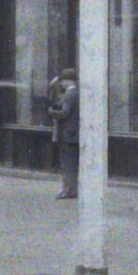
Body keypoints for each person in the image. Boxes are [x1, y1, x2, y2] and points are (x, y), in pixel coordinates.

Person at [48, 68, 80, 199]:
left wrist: (52, 112)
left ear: (68, 81)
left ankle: (69, 190)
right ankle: (71, 188)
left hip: (66, 134)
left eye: (62, 81)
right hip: (74, 134)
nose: (61, 84)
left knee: (67, 164)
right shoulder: (77, 93)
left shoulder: (69, 95)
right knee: (72, 164)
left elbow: (64, 113)